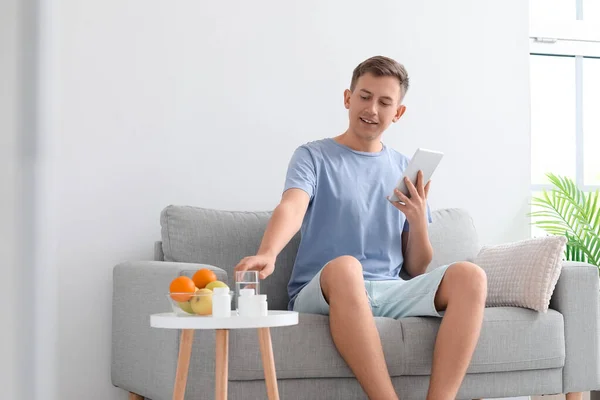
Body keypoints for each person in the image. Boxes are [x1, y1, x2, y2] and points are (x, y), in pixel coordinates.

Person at [234, 55, 487, 400]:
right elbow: (292, 207)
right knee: (346, 267)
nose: (372, 109)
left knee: (471, 276)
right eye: (365, 97)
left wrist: (416, 219)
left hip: (388, 290)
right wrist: (268, 251)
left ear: (397, 113)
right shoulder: (313, 156)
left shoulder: (404, 168)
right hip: (326, 289)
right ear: (347, 98)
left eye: (385, 102)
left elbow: (416, 267)